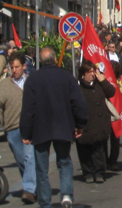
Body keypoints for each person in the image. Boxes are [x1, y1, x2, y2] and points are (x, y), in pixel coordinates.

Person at [20, 46, 88, 208]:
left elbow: (28, 108)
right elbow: (79, 103)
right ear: (55, 58)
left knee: (42, 169)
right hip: (63, 126)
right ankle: (66, 195)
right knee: (64, 162)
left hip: (40, 129)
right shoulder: (67, 77)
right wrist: (80, 124)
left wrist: (26, 132)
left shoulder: (33, 79)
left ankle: (45, 202)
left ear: (40, 62)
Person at [0, 52, 36, 203]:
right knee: (21, 159)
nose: (14, 70)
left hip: (30, 127)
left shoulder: (31, 82)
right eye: (12, 67)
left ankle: (29, 190)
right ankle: (35, 187)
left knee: (29, 158)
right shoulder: (4, 85)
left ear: (24, 67)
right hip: (12, 127)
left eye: (17, 67)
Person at [75, 60, 116, 184]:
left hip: (99, 122)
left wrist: (103, 80)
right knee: (84, 150)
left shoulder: (100, 84)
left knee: (99, 149)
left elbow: (112, 92)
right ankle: (87, 172)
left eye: (94, 71)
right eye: (89, 72)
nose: (92, 74)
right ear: (83, 74)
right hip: (84, 123)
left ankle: (99, 172)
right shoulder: (78, 87)